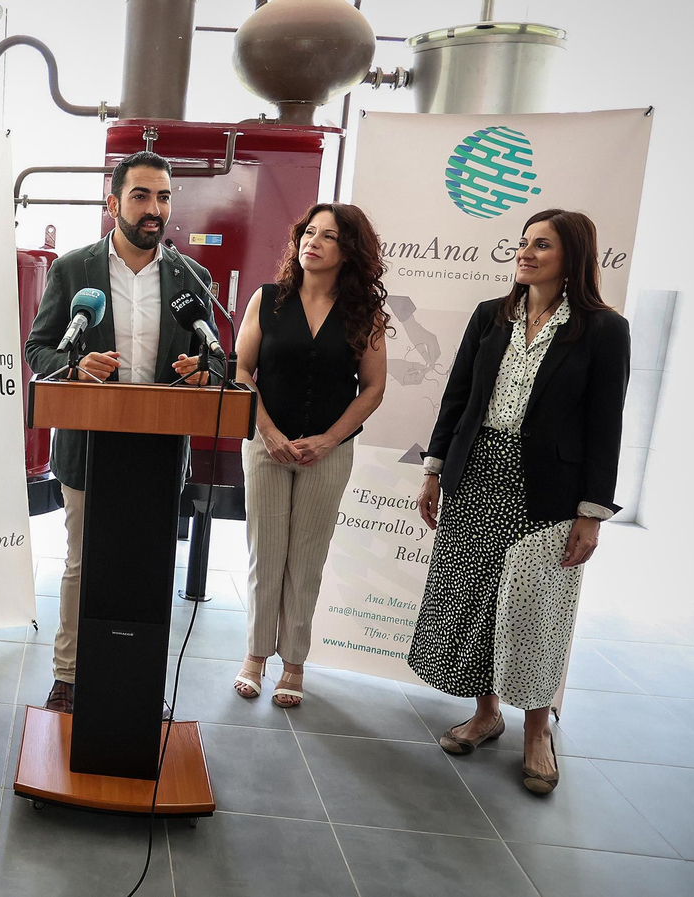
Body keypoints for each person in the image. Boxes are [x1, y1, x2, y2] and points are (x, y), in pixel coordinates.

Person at [408, 208, 631, 795]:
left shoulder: (603, 329)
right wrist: (434, 471)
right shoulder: (491, 316)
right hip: (476, 472)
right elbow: (457, 396)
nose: (526, 254)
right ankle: (486, 713)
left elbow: (606, 426)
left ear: (572, 257)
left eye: (543, 246)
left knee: (535, 611)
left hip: (548, 492)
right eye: (524, 244)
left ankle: (537, 732)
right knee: (475, 602)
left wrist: (592, 513)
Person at [24, 151, 214, 713]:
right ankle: (69, 675)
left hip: (158, 451)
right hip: (89, 447)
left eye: (163, 197)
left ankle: (140, 675)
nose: (154, 209)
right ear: (113, 204)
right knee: (83, 562)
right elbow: (39, 350)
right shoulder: (74, 270)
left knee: (150, 564)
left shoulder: (191, 278)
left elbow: (210, 357)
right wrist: (75, 367)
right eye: (141, 196)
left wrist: (202, 373)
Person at [231, 204, 391, 707]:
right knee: (266, 552)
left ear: (349, 252)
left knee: (307, 557)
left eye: (328, 237)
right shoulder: (268, 299)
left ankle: (293, 663)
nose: (312, 243)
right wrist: (270, 433)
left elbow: (373, 389)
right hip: (265, 446)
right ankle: (255, 657)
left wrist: (327, 440)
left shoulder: (365, 313)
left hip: (329, 452)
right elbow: (240, 370)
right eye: (308, 233)